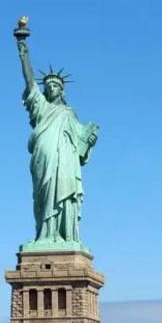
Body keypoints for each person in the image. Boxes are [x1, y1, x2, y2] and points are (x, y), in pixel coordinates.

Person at [16, 34, 99, 245]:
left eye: (55, 86)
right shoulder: (41, 107)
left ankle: (65, 236)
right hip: (44, 157)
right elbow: (29, 81)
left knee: (65, 195)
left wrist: (90, 138)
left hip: (66, 161)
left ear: (62, 90)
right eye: (49, 86)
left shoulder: (69, 114)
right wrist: (23, 52)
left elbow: (81, 145)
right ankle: (44, 235)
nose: (51, 88)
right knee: (44, 196)